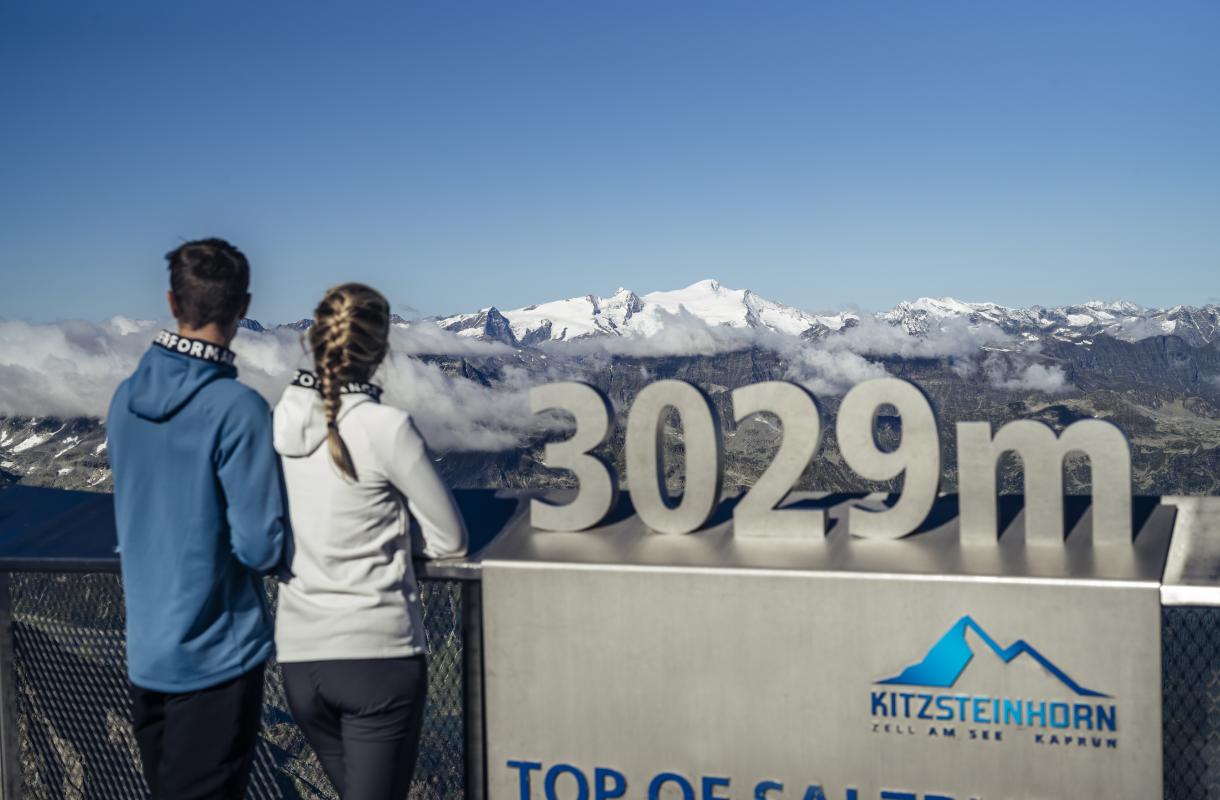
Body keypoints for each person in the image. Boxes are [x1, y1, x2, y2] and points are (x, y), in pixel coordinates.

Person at [272, 283, 468, 799]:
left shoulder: (284, 419)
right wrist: (396, 541)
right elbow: (450, 539)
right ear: (380, 350)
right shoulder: (386, 427)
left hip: (299, 659)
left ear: (315, 341)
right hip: (375, 656)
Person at [107, 238, 286, 798]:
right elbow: (260, 547)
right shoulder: (238, 410)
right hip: (217, 658)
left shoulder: (123, 399)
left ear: (172, 301)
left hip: (147, 652)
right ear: (244, 306)